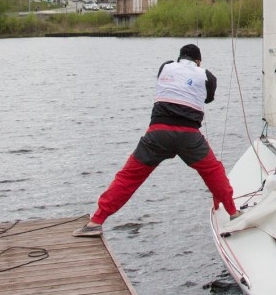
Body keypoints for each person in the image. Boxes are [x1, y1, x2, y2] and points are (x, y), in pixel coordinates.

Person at [73, 44, 238, 237]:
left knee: (128, 178)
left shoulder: (165, 67)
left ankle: (96, 222)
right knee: (213, 171)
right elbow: (208, 99)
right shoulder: (207, 75)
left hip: (157, 133)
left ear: (179, 58)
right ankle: (233, 213)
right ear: (199, 61)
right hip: (189, 135)